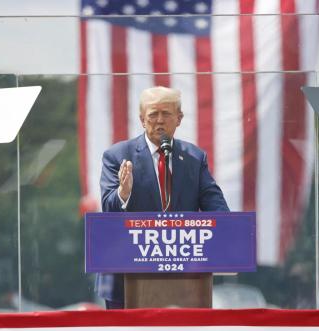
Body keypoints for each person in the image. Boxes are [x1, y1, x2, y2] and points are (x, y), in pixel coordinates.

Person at [98, 86, 230, 309]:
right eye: (153, 114)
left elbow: (217, 208)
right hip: (126, 278)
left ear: (179, 119)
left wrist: (228, 230)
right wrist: (124, 193)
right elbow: (108, 212)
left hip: (185, 280)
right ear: (142, 119)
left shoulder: (194, 158)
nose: (159, 121)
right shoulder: (117, 156)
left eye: (166, 114)